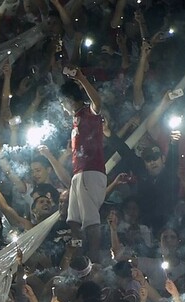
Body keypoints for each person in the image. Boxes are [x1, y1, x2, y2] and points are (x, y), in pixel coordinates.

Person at [57, 67, 106, 261]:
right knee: (73, 221)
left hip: (91, 171)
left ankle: (94, 260)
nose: (63, 108)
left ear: (70, 99)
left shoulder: (88, 112)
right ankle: (78, 259)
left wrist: (81, 78)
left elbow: (98, 103)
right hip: (78, 173)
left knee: (91, 221)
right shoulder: (76, 119)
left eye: (63, 103)